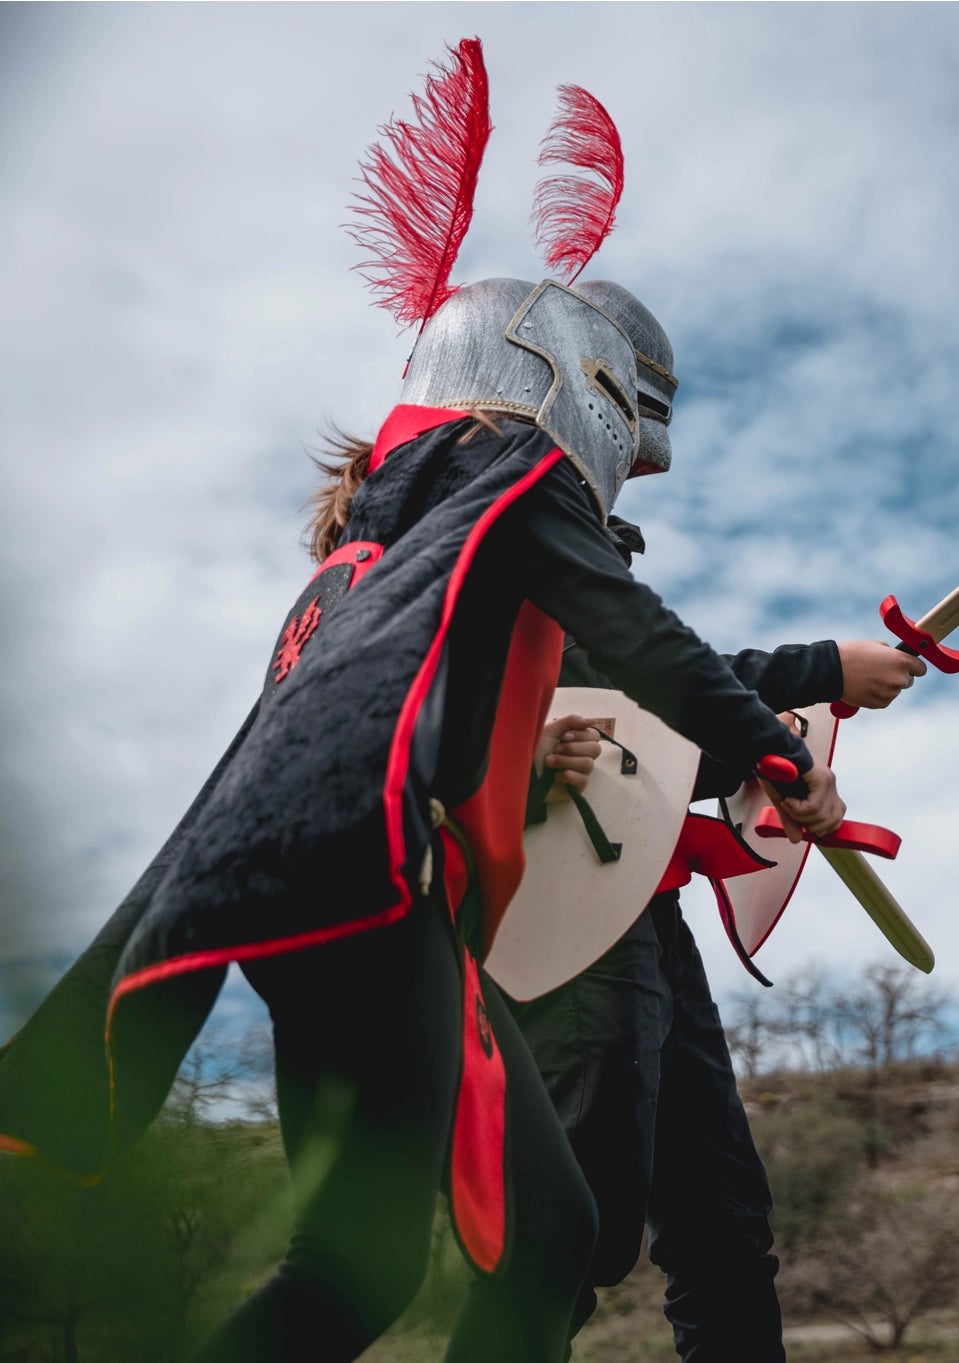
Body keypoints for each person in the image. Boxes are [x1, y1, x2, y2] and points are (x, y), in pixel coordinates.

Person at [0, 44, 849, 1360]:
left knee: (359, 1261)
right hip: (363, 895)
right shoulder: (513, 476)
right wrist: (775, 749)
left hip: (297, 912)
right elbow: (639, 636)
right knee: (555, 1234)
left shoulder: (361, 566)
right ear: (559, 378)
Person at [513, 497, 925, 1357]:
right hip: (564, 917)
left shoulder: (581, 535)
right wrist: (816, 671)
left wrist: (770, 747)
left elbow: (649, 740)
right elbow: (623, 698)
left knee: (725, 1227)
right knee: (572, 1232)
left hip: (646, 909)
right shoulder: (502, 529)